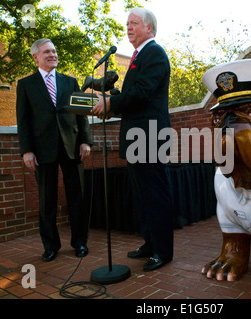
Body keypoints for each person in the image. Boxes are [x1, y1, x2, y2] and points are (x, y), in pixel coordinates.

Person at [93, 8, 174, 271]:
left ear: (149, 28)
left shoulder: (155, 53)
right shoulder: (140, 55)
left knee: (154, 195)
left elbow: (142, 92)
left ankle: (163, 251)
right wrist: (111, 105)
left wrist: (111, 102)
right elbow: (133, 97)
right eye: (127, 23)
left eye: (134, 23)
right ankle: (150, 243)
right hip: (137, 137)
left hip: (149, 137)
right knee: (142, 196)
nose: (128, 27)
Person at [16, 38, 93, 262]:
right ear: (36, 57)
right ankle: (50, 246)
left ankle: (80, 243)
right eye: (47, 52)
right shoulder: (26, 85)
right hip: (42, 150)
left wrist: (85, 141)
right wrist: (26, 150)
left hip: (72, 147)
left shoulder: (71, 82)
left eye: (54, 51)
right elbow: (23, 121)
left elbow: (82, 116)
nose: (52, 55)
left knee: (76, 197)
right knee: (46, 200)